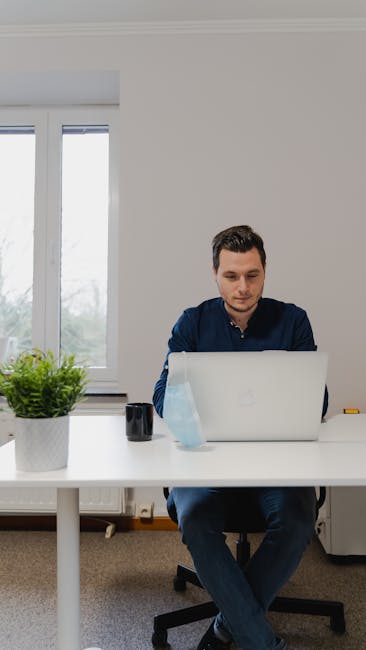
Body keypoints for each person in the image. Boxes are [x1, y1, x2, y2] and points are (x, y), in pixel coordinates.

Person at [153, 225, 327, 650]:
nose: (243, 287)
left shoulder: (292, 320)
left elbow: (316, 402)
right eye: (232, 276)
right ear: (215, 273)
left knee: (299, 517)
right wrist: (186, 398)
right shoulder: (192, 322)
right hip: (206, 462)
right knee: (194, 517)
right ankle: (260, 641)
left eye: (252, 275)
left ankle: (226, 628)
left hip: (276, 466)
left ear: (265, 272)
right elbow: (161, 397)